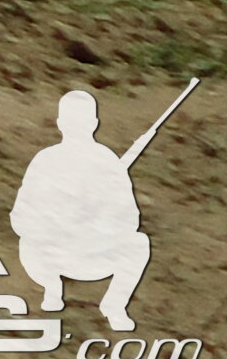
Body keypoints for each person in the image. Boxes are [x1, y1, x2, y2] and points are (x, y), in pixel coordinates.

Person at [12, 89, 159, 332]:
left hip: (89, 254)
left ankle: (113, 305)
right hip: (52, 253)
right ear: (94, 123)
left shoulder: (103, 162)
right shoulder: (47, 160)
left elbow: (129, 220)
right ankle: (53, 289)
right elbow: (21, 218)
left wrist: (95, 220)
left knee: (138, 242)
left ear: (60, 123)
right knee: (138, 243)